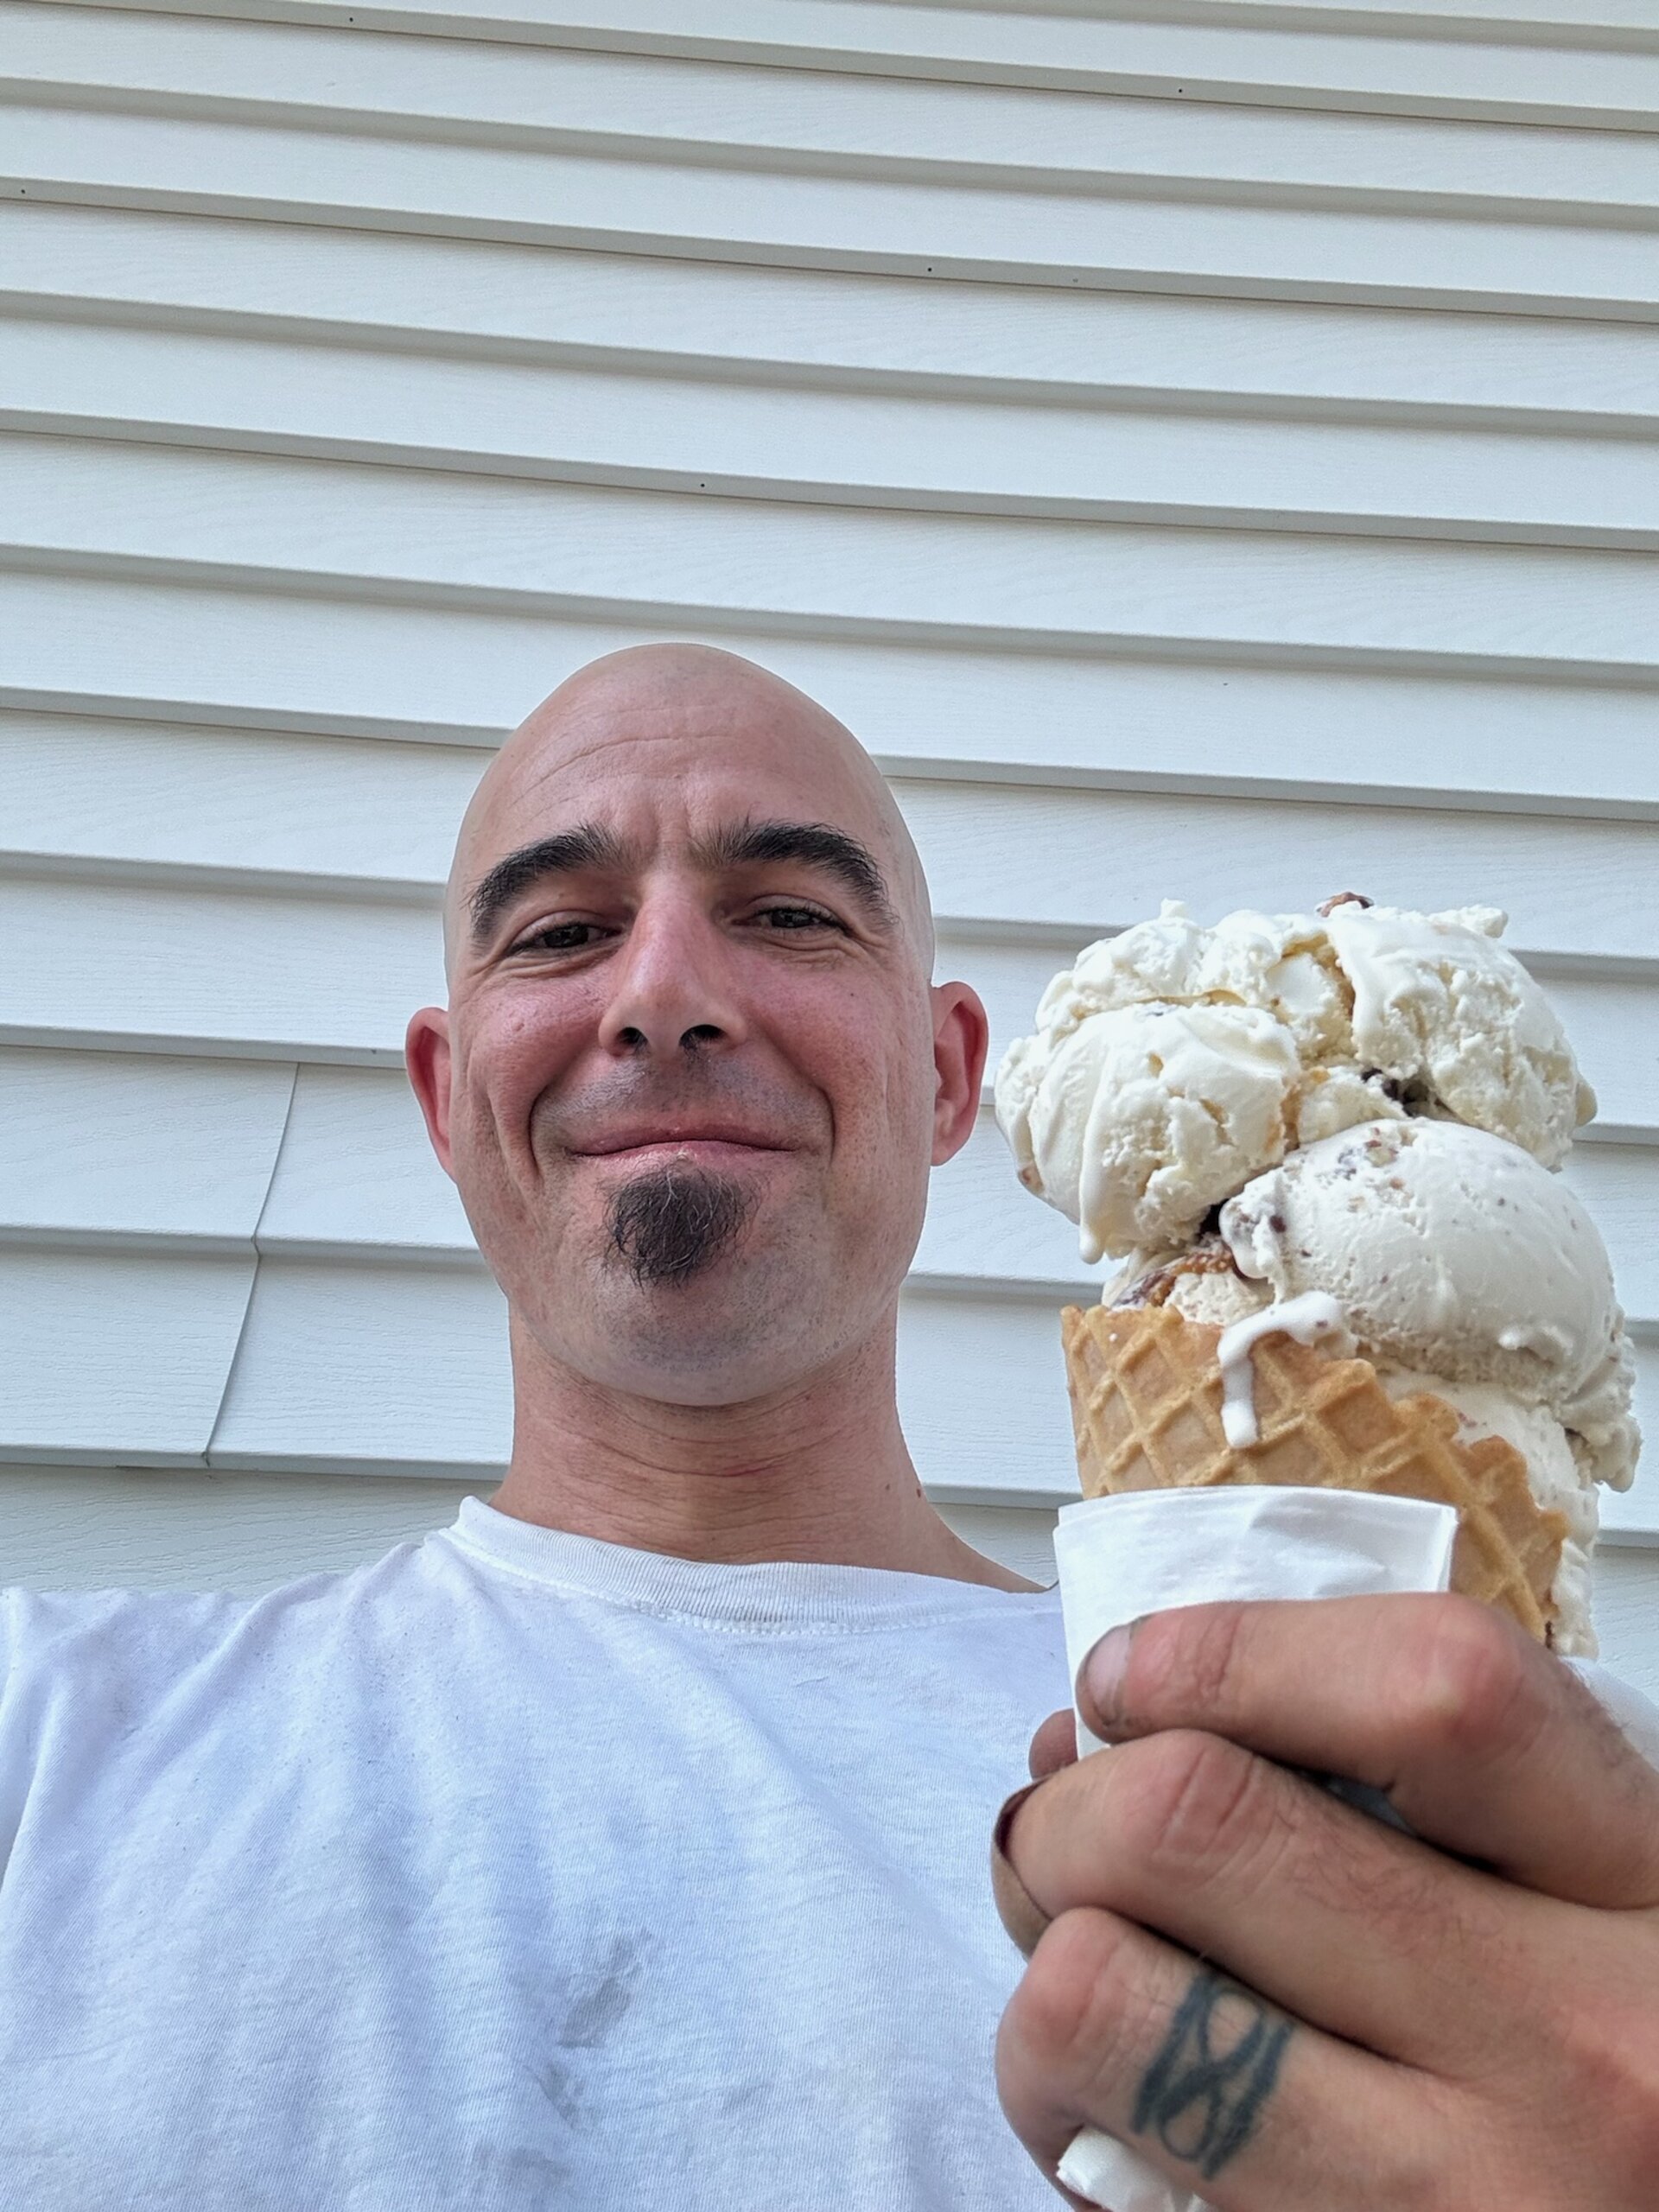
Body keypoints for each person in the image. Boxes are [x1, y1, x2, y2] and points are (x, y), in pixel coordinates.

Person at [2, 644, 1656, 2210]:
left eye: (788, 912)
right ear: (447, 1098)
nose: (660, 996)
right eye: (561, 932)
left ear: (948, 1078)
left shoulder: (1432, 1779)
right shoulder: (45, 1735)